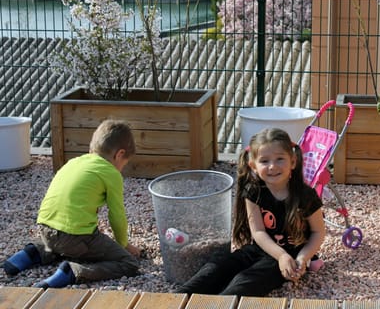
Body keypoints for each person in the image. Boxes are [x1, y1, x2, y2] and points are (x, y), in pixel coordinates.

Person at [176, 128, 326, 296]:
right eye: (264, 160)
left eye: (280, 159)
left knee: (243, 283)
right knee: (216, 268)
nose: (272, 166)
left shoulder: (306, 195)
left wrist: (302, 258)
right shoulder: (254, 192)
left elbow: (318, 231)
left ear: (293, 161)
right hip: (259, 249)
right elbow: (258, 232)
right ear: (253, 166)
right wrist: (280, 254)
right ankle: (175, 301)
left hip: (289, 257)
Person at [1, 119, 141, 289]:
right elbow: (116, 215)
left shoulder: (74, 162)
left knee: (60, 243)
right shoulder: (110, 173)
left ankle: (31, 253)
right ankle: (73, 271)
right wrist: (123, 244)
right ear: (119, 154)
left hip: (46, 229)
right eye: (124, 164)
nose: (121, 169)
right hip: (75, 237)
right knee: (128, 263)